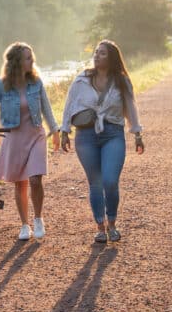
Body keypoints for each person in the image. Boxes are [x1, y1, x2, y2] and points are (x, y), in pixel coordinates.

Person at [58, 40, 144, 243]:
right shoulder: (82, 79)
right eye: (96, 52)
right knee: (95, 183)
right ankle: (100, 227)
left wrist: (137, 133)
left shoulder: (121, 80)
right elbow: (69, 104)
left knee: (110, 181)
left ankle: (112, 222)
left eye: (102, 53)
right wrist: (64, 131)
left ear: (111, 57)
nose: (97, 56)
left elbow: (131, 107)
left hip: (113, 132)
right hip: (85, 135)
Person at [0, 42, 58, 240]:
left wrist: (54, 130)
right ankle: (24, 224)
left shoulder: (36, 83)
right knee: (20, 184)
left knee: (36, 179)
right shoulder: (1, 85)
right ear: (17, 62)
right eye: (28, 58)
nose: (32, 61)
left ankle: (38, 218)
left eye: (32, 57)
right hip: (14, 137)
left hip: (36, 135)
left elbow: (46, 108)